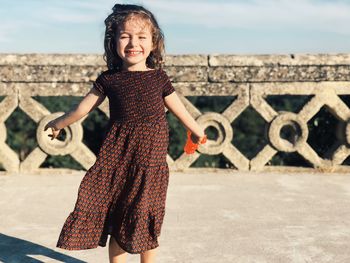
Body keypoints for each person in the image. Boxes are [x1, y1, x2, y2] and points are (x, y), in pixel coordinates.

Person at [44, 3, 206, 263]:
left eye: (141, 37)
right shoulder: (109, 80)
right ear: (114, 42)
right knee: (119, 215)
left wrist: (197, 131)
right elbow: (81, 109)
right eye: (125, 36)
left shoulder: (159, 78)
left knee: (146, 215)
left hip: (151, 163)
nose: (133, 43)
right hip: (117, 158)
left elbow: (180, 110)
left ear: (153, 43)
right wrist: (59, 123)